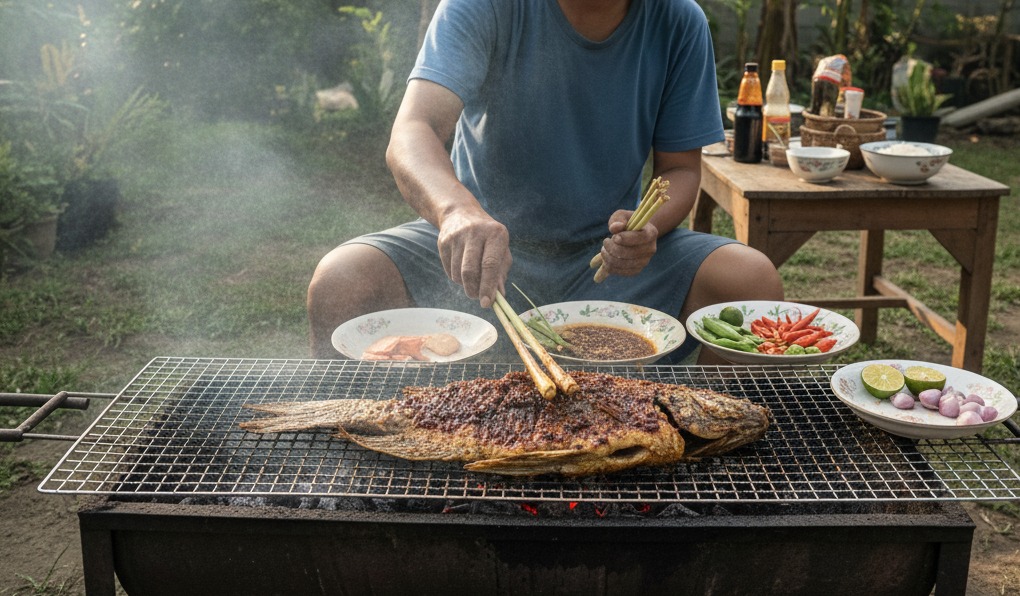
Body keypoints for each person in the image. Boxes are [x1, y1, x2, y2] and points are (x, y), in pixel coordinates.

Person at [308, 0, 784, 363]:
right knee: (343, 280)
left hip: (609, 266)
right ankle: (364, 465)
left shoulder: (678, 19)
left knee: (750, 282)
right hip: (480, 256)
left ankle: (698, 447)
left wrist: (649, 229)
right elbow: (414, 130)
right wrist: (456, 211)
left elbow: (680, 168)